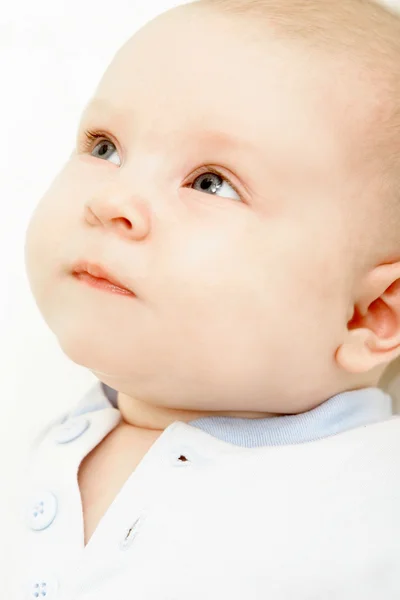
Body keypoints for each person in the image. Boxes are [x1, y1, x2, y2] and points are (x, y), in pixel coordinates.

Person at [19, 0, 400, 597]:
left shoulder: (372, 511)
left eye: (211, 182)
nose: (113, 199)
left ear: (370, 313)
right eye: (104, 147)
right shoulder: (39, 445)